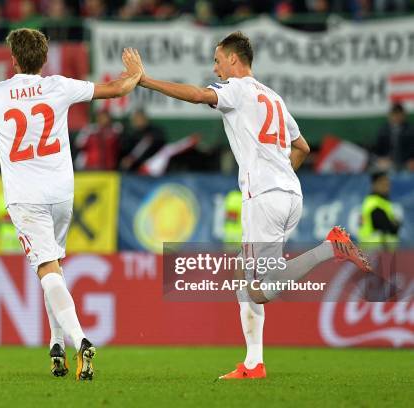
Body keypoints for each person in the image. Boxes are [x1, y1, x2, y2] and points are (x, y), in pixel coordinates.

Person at [122, 32, 371, 380]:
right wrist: (280, 176)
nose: (215, 67)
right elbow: (302, 148)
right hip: (289, 193)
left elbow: (196, 95)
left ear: (234, 60)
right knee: (243, 275)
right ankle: (254, 362)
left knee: (260, 289)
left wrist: (144, 79)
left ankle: (331, 248)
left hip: (266, 198)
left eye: (217, 60)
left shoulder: (237, 89)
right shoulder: (275, 98)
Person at [0, 28, 140, 380]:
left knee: (45, 268)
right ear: (44, 60)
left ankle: (80, 339)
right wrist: (135, 73)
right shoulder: (58, 85)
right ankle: (56, 345)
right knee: (52, 265)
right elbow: (118, 88)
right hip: (61, 194)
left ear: (13, 60)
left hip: (25, 198)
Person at [358, 170, 400, 251]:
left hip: (371, 251)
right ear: (374, 185)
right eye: (383, 184)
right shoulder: (375, 204)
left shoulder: (373, 201)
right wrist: (395, 224)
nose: (387, 187)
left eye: (388, 184)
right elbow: (388, 228)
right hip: (377, 250)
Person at [373, 103, 414, 171]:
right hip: (388, 162)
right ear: (389, 116)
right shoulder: (383, 130)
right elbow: (378, 150)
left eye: (399, 114)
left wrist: (411, 159)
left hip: (407, 161)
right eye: (394, 114)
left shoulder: (411, 130)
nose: (396, 117)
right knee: (378, 169)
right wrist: (381, 159)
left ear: (404, 115)